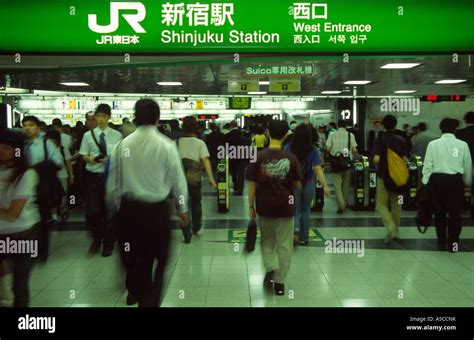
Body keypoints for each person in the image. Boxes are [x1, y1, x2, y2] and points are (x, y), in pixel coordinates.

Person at [106, 99, 189, 307]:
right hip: (157, 213)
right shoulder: (166, 145)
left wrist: (117, 209)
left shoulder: (122, 145)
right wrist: (183, 208)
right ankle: (150, 301)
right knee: (160, 259)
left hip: (129, 211)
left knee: (134, 258)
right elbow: (178, 181)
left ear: (135, 117)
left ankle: (138, 291)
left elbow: (114, 183)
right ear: (157, 119)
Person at [246, 120, 302, 296]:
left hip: (265, 206)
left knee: (267, 241)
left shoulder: (258, 156)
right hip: (286, 206)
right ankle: (280, 283)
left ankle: (270, 266)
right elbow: (298, 184)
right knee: (284, 245)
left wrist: (250, 206)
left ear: (268, 133)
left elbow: (252, 185)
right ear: (286, 135)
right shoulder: (291, 158)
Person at [0, 128, 40, 307]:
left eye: (7, 147)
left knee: (19, 286)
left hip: (23, 235)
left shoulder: (26, 174)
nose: (1, 150)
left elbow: (13, 214)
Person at [79, 104, 123, 257]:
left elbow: (120, 155)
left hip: (111, 176)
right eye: (98, 116)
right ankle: (97, 237)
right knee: (93, 211)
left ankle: (108, 244)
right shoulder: (88, 135)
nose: (100, 119)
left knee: (110, 211)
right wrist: (92, 159)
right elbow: (83, 154)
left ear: (109, 117)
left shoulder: (117, 135)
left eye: (104, 116)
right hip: (93, 176)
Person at [423, 118, 472, 252]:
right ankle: (453, 244)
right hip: (455, 183)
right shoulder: (462, 145)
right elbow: (467, 166)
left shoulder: (433, 144)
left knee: (439, 213)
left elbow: (428, 165)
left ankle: (442, 240)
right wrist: (467, 182)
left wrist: (425, 184)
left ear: (440, 128)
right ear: (455, 129)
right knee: (455, 213)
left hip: (437, 181)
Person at [285, 124, 330, 245]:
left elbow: (285, 166)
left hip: (294, 183)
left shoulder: (288, 148)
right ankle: (304, 238)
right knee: (306, 210)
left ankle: (295, 228)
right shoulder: (313, 150)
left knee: (295, 208)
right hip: (309, 182)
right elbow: (317, 168)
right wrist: (325, 185)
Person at [177, 116, 217, 237]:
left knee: (182, 204)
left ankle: (186, 229)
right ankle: (196, 227)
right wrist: (211, 179)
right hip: (194, 179)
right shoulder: (200, 143)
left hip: (180, 179)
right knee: (196, 203)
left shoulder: (176, 142)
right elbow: (205, 161)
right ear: (195, 128)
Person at [372, 115, 408, 244]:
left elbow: (376, 159)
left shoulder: (379, 140)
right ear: (396, 125)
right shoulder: (402, 140)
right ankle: (396, 231)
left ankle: (391, 227)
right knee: (396, 205)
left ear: (383, 125)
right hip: (398, 178)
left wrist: (379, 169)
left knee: (380, 204)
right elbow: (404, 160)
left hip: (383, 177)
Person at [326, 119, 358, 214]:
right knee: (345, 184)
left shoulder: (332, 135)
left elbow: (328, 149)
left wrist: (334, 153)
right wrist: (352, 158)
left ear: (337, 125)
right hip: (347, 162)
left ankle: (341, 205)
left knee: (337, 184)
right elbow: (355, 150)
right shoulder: (350, 135)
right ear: (346, 126)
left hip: (336, 163)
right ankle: (343, 203)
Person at [44, 129, 74, 223]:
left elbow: (68, 163)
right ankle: (54, 217)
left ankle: (63, 211)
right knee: (51, 197)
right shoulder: (44, 150)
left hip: (62, 176)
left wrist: (71, 176)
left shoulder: (62, 149)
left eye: (51, 139)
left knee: (63, 196)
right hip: (50, 177)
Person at [225, 120, 246, 195]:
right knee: (241, 173)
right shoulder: (243, 134)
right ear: (237, 125)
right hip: (242, 156)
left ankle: (235, 184)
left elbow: (225, 147)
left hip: (232, 156)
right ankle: (240, 189)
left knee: (233, 172)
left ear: (231, 126)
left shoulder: (227, 135)